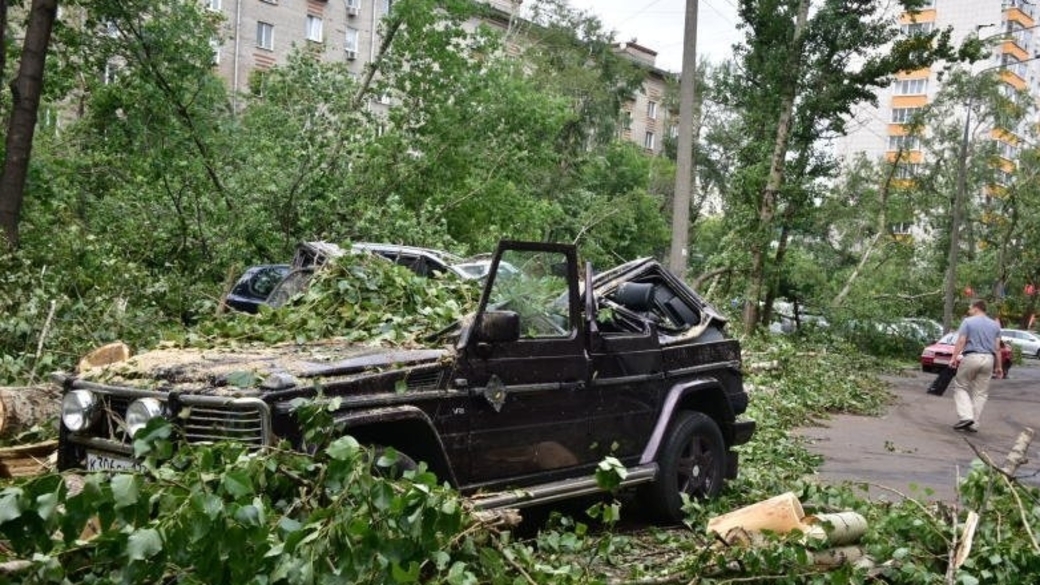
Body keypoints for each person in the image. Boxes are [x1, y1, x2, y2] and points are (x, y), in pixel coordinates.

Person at [949, 299, 1002, 433]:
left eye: (970, 308)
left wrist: (954, 358)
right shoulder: (995, 325)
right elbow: (997, 348)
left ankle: (966, 417)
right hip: (989, 359)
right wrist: (999, 366)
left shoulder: (968, 322)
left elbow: (961, 341)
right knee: (981, 393)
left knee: (961, 386)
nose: (969, 310)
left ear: (976, 308)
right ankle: (973, 424)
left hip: (972, 356)